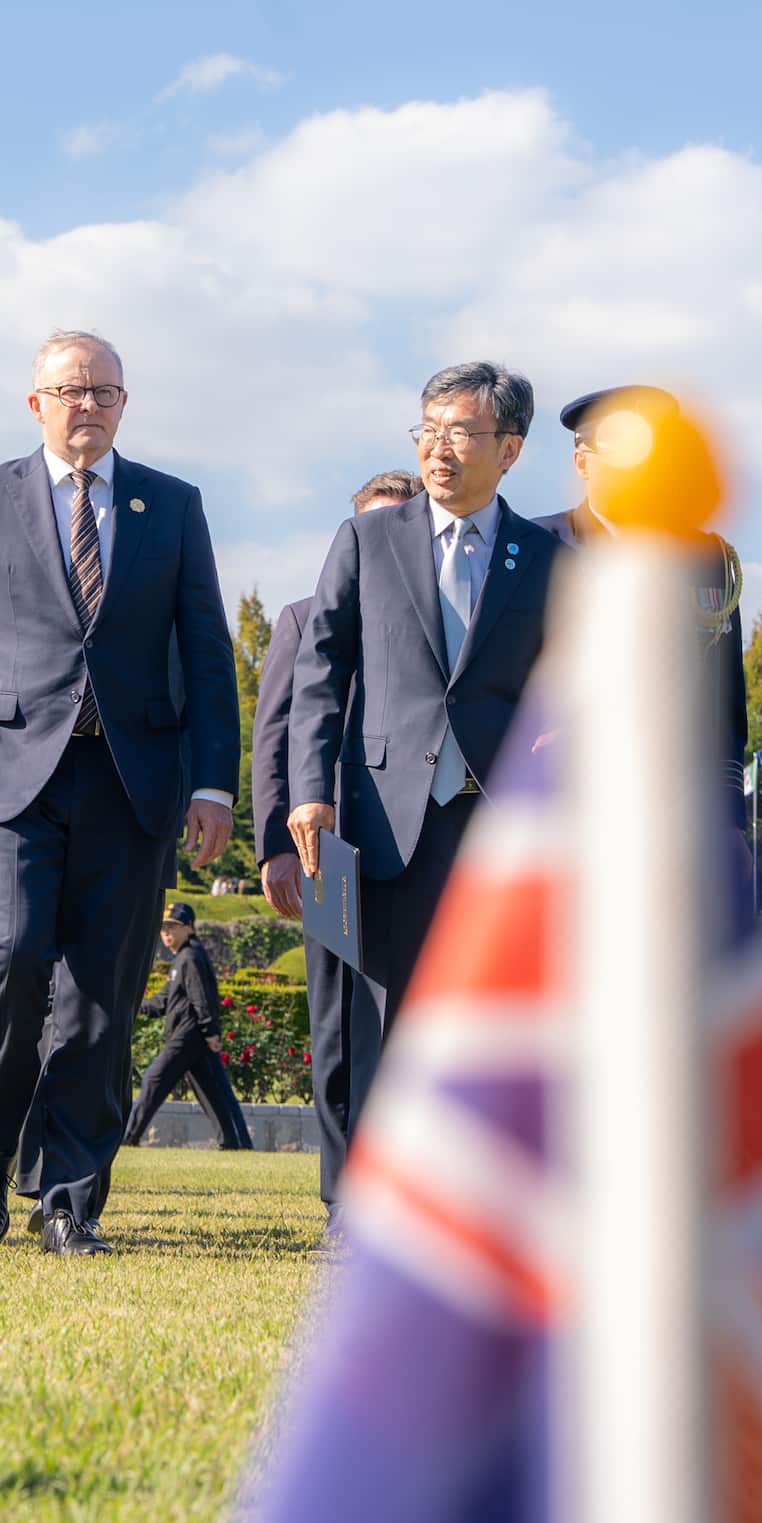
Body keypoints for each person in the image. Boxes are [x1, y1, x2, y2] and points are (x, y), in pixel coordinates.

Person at [0, 329, 240, 1257]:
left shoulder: (172, 505)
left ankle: (68, 1196)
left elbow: (209, 654)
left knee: (101, 995)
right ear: (34, 402)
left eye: (102, 391)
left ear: (124, 404)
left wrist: (215, 781)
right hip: (12, 776)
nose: (85, 404)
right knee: (11, 959)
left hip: (134, 780)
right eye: (68, 389)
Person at [287, 363, 561, 1160]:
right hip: (382, 816)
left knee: (484, 1019)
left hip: (497, 821)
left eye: (462, 433)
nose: (439, 450)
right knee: (378, 1017)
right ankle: (367, 1203)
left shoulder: (546, 558)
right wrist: (309, 793)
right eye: (429, 431)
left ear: (508, 449)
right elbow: (320, 674)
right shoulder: (368, 539)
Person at [252, 469, 419, 1235]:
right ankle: (343, 1194)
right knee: (339, 1023)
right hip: (328, 848)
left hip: (420, 841)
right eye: (377, 525)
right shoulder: (300, 617)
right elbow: (277, 737)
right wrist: (275, 845)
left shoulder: (435, 621)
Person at [530, 385, 747, 829]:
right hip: (565, 805)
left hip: (681, 813)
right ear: (582, 463)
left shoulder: (709, 560)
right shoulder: (533, 549)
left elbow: (725, 706)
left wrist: (728, 823)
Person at [122, 901, 251, 1149]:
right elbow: (163, 1001)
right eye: (164, 928)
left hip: (188, 1036)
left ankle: (129, 1136)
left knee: (153, 1081)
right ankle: (234, 1141)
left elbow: (200, 996)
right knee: (213, 1092)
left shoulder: (190, 956)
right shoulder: (183, 957)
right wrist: (130, 1007)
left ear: (189, 927)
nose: (166, 933)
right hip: (192, 1037)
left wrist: (210, 1030)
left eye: (173, 927)